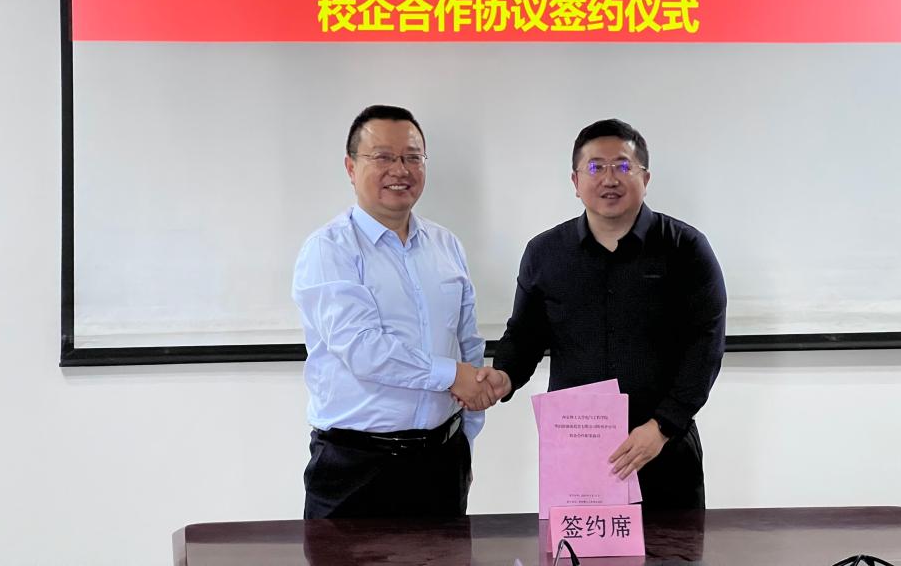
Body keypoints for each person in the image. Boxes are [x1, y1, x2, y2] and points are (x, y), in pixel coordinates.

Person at [481, 118, 727, 511]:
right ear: (575, 181)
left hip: (663, 446)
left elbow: (705, 346)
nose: (609, 178)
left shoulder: (686, 249)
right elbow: (525, 335)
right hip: (578, 451)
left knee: (674, 547)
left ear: (645, 177)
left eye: (623, 166)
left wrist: (662, 426)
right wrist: (503, 376)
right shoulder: (545, 253)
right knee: (580, 546)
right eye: (595, 167)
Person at [292, 105, 495, 519]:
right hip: (356, 467)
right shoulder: (329, 249)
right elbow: (363, 349)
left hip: (442, 462)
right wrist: (452, 375)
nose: (400, 170)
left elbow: (468, 345)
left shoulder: (446, 245)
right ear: (351, 167)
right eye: (383, 157)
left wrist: (466, 444)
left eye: (412, 157)